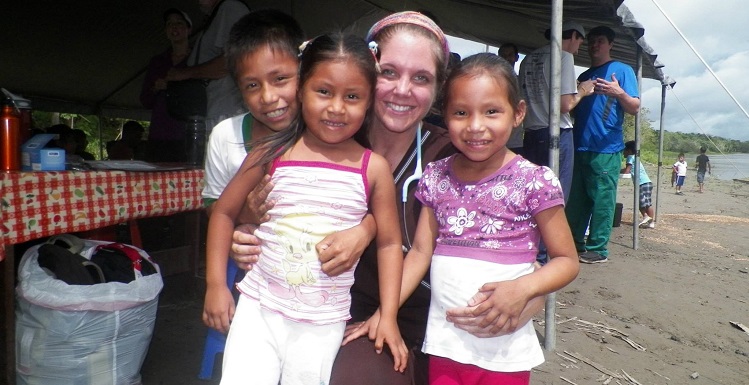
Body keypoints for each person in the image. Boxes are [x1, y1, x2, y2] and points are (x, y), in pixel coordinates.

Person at [230, 11, 545, 385]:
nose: (402, 90)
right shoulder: (327, 139)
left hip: (434, 328)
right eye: (389, 72)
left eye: (421, 78)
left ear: (438, 90)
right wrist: (248, 231)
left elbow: (529, 260)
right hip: (325, 314)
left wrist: (526, 296)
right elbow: (264, 219)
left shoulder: (456, 157)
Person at [353, 52, 579, 385]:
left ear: (517, 113)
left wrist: (522, 289)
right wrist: (385, 314)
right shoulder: (435, 176)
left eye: (491, 112)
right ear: (445, 115)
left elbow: (566, 261)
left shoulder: (535, 181)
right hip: (445, 346)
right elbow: (419, 253)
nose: (476, 126)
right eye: (461, 113)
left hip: (505, 353)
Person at [206, 32, 408, 385]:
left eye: (353, 97)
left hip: (322, 323)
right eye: (324, 91)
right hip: (259, 310)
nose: (336, 107)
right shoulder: (271, 153)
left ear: (370, 101)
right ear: (301, 91)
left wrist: (387, 314)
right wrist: (215, 286)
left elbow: (390, 242)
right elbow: (223, 212)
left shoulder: (373, 169)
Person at [201, 8, 304, 347]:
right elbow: (215, 207)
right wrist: (240, 226)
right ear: (238, 89)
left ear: (305, 71)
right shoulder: (224, 136)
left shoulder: (327, 133)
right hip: (253, 272)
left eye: (280, 79)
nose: (268, 97)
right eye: (252, 86)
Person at [566, 26, 640, 264]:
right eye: (592, 41)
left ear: (610, 45)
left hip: (606, 149)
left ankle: (598, 249)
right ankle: (574, 244)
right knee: (576, 200)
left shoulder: (622, 70)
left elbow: (635, 107)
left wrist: (619, 92)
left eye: (600, 41)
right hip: (579, 146)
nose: (594, 45)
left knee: (603, 200)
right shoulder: (585, 75)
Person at [518, 21, 594, 200]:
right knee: (555, 196)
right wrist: (583, 90)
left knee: (532, 194)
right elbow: (565, 105)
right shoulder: (564, 56)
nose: (577, 50)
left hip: (531, 134)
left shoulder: (528, 59)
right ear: (574, 36)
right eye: (580, 43)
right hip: (556, 133)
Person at [166, 0, 250, 133]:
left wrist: (186, 73)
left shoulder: (230, 7)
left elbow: (234, 60)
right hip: (215, 114)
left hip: (226, 115)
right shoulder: (217, 16)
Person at [140, 8, 192, 162]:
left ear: (189, 29)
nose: (174, 27)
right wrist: (156, 88)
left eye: (179, 23)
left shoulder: (198, 59)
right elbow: (145, 100)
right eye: (169, 24)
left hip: (187, 135)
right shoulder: (158, 62)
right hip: (159, 134)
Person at [621, 141, 655, 229]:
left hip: (641, 183)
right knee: (647, 203)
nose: (623, 152)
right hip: (647, 183)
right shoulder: (636, 158)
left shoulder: (630, 157)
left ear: (629, 151)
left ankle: (645, 216)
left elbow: (627, 171)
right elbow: (628, 169)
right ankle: (651, 222)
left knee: (641, 203)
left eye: (624, 150)